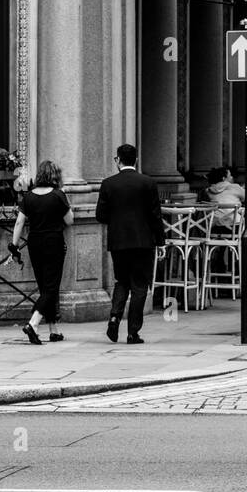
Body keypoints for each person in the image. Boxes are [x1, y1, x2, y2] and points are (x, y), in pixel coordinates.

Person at [96, 143, 166, 345]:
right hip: (143, 242)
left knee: (122, 281)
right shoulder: (147, 183)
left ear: (118, 160)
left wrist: (117, 221)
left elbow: (100, 215)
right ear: (136, 160)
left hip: (118, 242)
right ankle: (132, 332)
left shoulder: (108, 184)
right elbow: (155, 215)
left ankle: (114, 317)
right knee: (139, 286)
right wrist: (160, 241)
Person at [9, 159, 74, 343]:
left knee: (45, 287)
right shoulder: (58, 195)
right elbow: (69, 221)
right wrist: (66, 202)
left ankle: (54, 330)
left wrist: (14, 246)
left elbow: (19, 222)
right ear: (55, 176)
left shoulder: (28, 196)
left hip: (35, 243)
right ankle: (33, 323)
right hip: (53, 242)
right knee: (51, 287)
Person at [204, 165, 245, 234]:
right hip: (235, 226)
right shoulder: (234, 187)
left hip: (214, 226)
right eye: (230, 176)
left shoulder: (207, 191)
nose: (232, 178)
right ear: (224, 178)